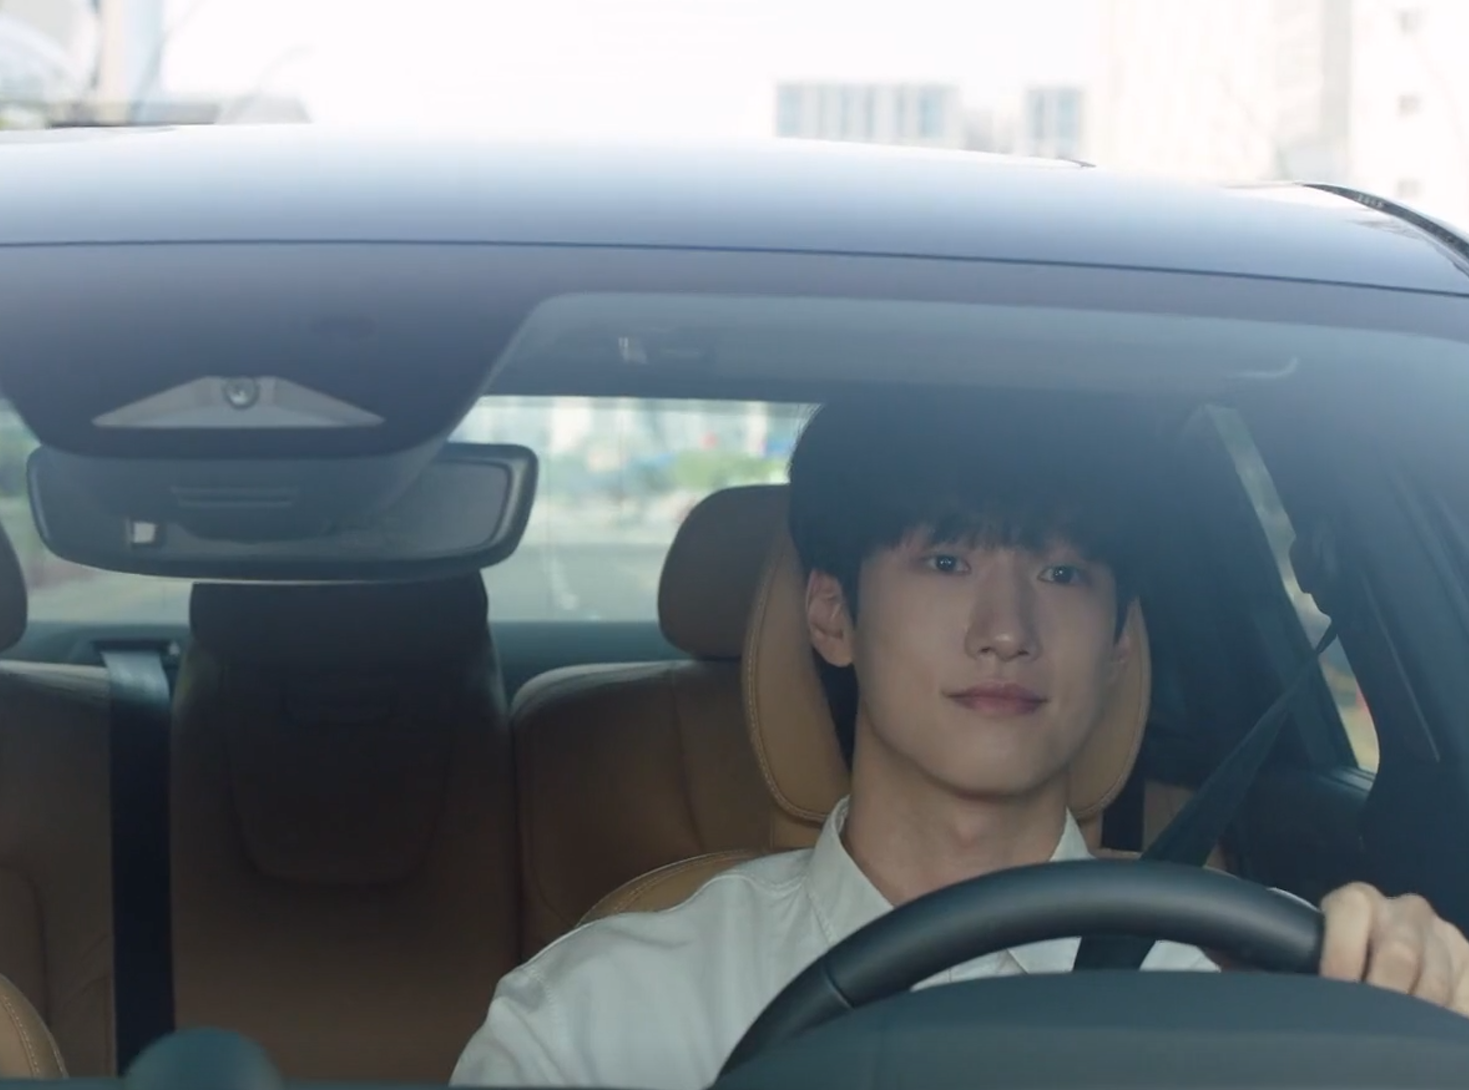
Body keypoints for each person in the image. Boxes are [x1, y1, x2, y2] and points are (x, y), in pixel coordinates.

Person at [452, 393, 1469, 1090]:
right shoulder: (611, 1012)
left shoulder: (1269, 995)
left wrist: (1419, 1011)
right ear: (832, 614)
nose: (1006, 629)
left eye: (1063, 573)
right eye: (945, 559)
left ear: (1120, 642)